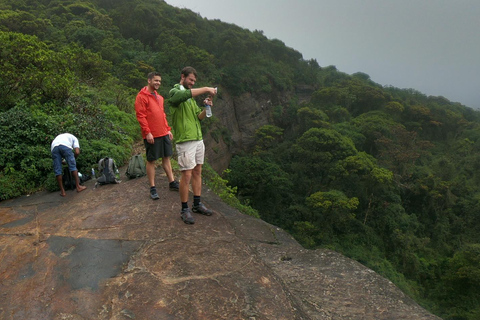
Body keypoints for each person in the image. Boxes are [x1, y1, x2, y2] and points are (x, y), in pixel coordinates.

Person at [168, 66, 217, 224]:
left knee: (197, 171)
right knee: (186, 174)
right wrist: (205, 89)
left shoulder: (190, 99)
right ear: (182, 77)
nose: (192, 83)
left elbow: (199, 117)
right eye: (191, 80)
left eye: (194, 81)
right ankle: (184, 209)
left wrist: (207, 106)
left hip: (197, 138)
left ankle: (197, 203)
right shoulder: (175, 92)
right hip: (185, 141)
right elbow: (181, 96)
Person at [135, 71, 179, 200]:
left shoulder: (159, 98)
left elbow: (162, 114)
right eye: (155, 80)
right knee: (152, 160)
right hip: (152, 135)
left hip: (163, 132)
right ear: (149, 80)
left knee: (166, 157)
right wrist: (147, 132)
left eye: (159, 81)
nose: (158, 83)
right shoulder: (141, 97)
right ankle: (153, 188)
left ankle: (172, 182)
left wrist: (167, 129)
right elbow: (141, 116)